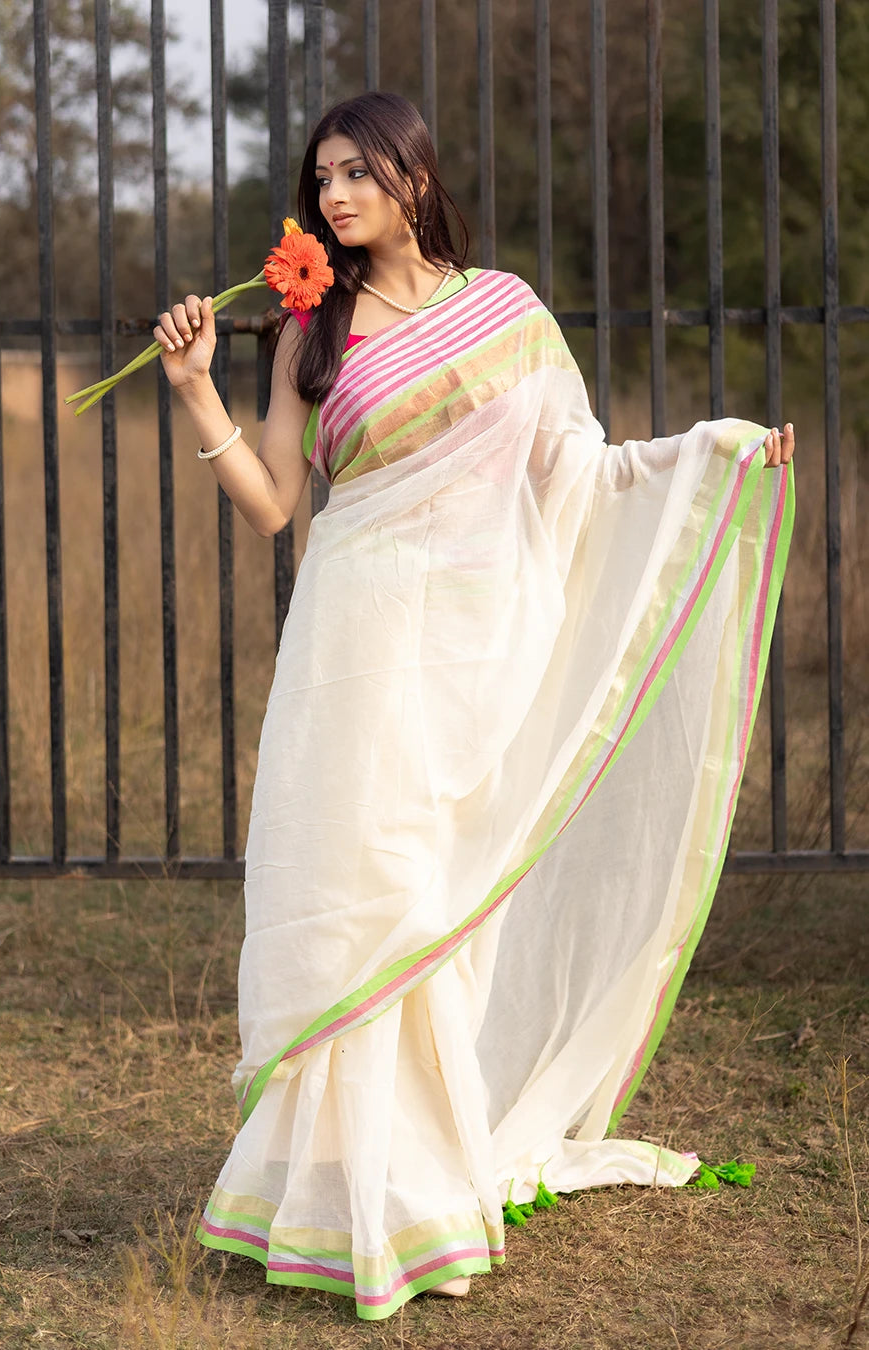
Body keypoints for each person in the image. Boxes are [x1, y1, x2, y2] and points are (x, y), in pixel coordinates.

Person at [152, 92, 795, 1322]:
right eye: (321, 176)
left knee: (430, 891)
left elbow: (579, 469)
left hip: (468, 652)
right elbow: (276, 505)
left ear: (413, 175)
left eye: (357, 171)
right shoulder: (311, 329)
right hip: (353, 645)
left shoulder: (504, 310)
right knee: (360, 890)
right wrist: (194, 389)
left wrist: (705, 451)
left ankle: (419, 1183)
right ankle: (346, 1188)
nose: (334, 195)